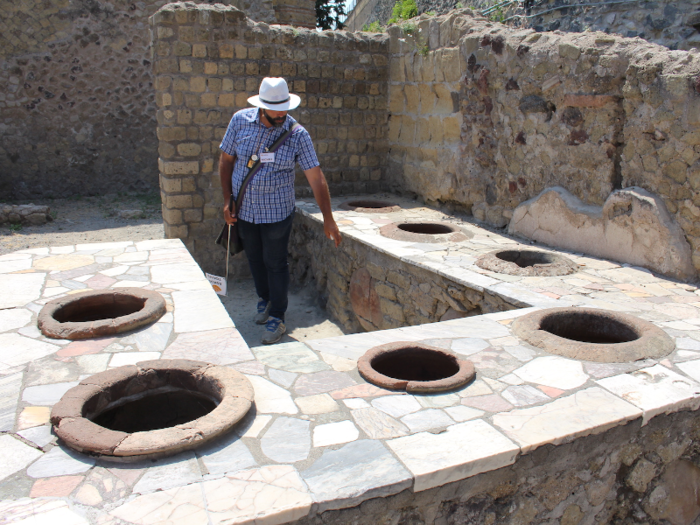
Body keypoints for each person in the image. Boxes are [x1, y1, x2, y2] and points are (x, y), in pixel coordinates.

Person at [219, 77, 342, 345]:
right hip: (245, 210)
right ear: (262, 106)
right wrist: (227, 199)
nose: (281, 114)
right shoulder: (240, 121)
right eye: (275, 109)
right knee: (254, 258)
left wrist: (328, 218)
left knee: (275, 263)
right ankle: (264, 300)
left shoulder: (297, 135)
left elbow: (316, 176)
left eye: (284, 108)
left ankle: (277, 316)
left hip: (277, 212)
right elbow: (226, 160)